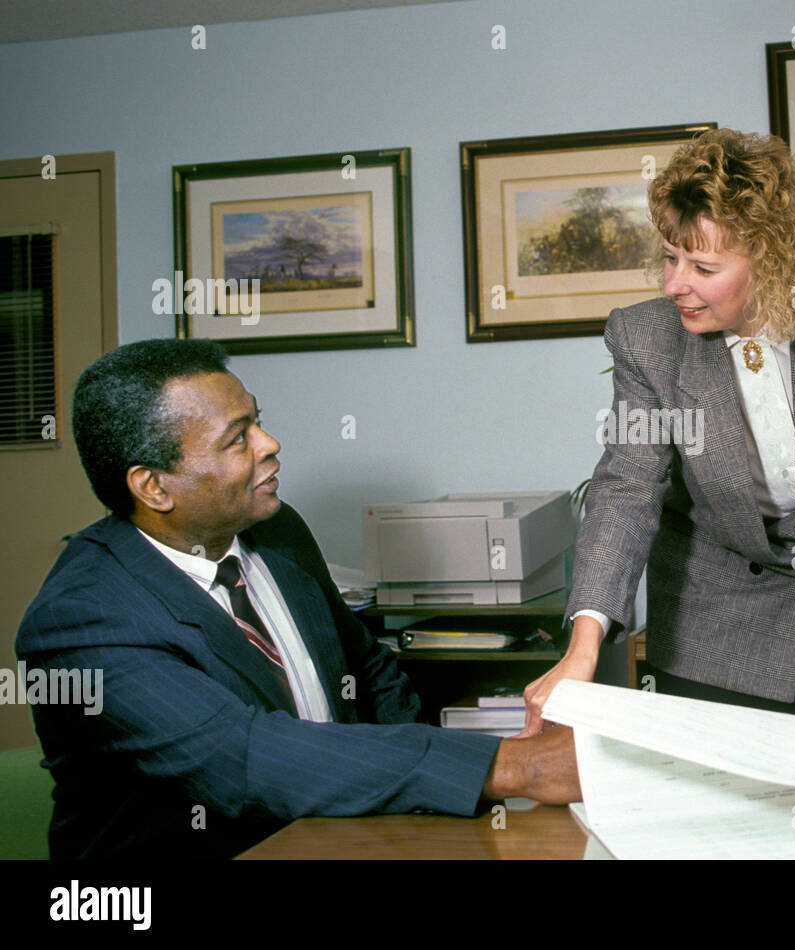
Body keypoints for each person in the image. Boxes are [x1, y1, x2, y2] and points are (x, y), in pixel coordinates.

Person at [15, 339, 579, 859]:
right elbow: (244, 756)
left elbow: (367, 670)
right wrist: (512, 767)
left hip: (339, 840)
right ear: (154, 487)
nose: (270, 445)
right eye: (238, 438)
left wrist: (427, 813)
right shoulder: (82, 618)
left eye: (258, 421)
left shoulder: (276, 529)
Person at [520, 129, 795, 733]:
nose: (673, 284)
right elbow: (627, 489)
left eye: (702, 266)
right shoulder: (646, 340)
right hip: (707, 626)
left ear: (774, 258)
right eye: (669, 256)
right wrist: (582, 651)